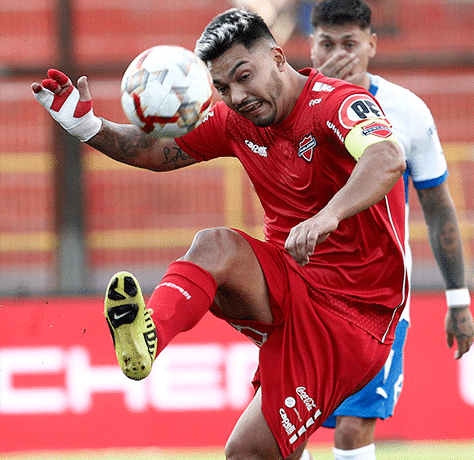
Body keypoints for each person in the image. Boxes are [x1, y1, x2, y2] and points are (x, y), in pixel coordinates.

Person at [32, 8, 412, 460]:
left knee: (247, 452)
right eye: (222, 87)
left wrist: (327, 216)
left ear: (276, 56)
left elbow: (386, 157)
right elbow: (158, 153)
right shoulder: (237, 121)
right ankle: (149, 334)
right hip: (288, 281)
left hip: (352, 316)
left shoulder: (337, 102)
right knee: (215, 244)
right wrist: (86, 126)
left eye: (244, 76)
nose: (236, 96)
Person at [307, 1, 474, 459]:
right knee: (286, 428)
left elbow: (438, 209)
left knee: (354, 430)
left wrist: (457, 299)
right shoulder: (290, 106)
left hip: (377, 300)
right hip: (303, 291)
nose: (338, 54)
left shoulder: (406, 111)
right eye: (326, 44)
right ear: (310, 46)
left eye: (349, 43)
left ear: (372, 45)